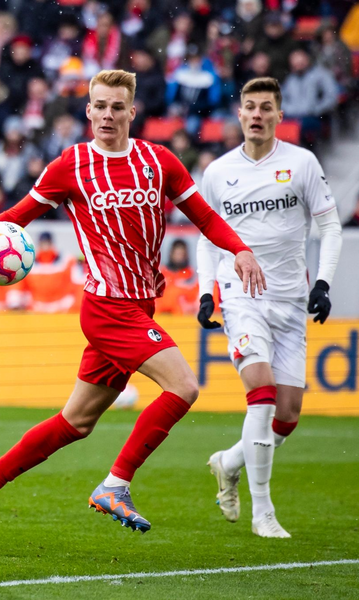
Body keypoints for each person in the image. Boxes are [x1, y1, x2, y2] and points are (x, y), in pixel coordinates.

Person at [0, 69, 264, 545]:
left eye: (116, 107)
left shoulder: (159, 160)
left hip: (141, 306)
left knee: (76, 422)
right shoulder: (72, 165)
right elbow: (16, 214)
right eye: (99, 106)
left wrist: (241, 249)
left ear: (132, 111)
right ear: (87, 111)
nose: (107, 115)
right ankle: (116, 484)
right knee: (184, 387)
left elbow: (206, 217)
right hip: (108, 308)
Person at [196, 77, 342, 538]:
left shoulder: (301, 163)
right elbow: (206, 238)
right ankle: (263, 513)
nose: (257, 115)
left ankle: (228, 461)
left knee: (287, 415)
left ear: (280, 116)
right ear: (238, 115)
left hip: (290, 299)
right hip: (241, 295)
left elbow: (330, 226)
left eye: (266, 108)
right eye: (249, 107)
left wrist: (322, 283)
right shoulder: (218, 172)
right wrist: (207, 292)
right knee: (259, 392)